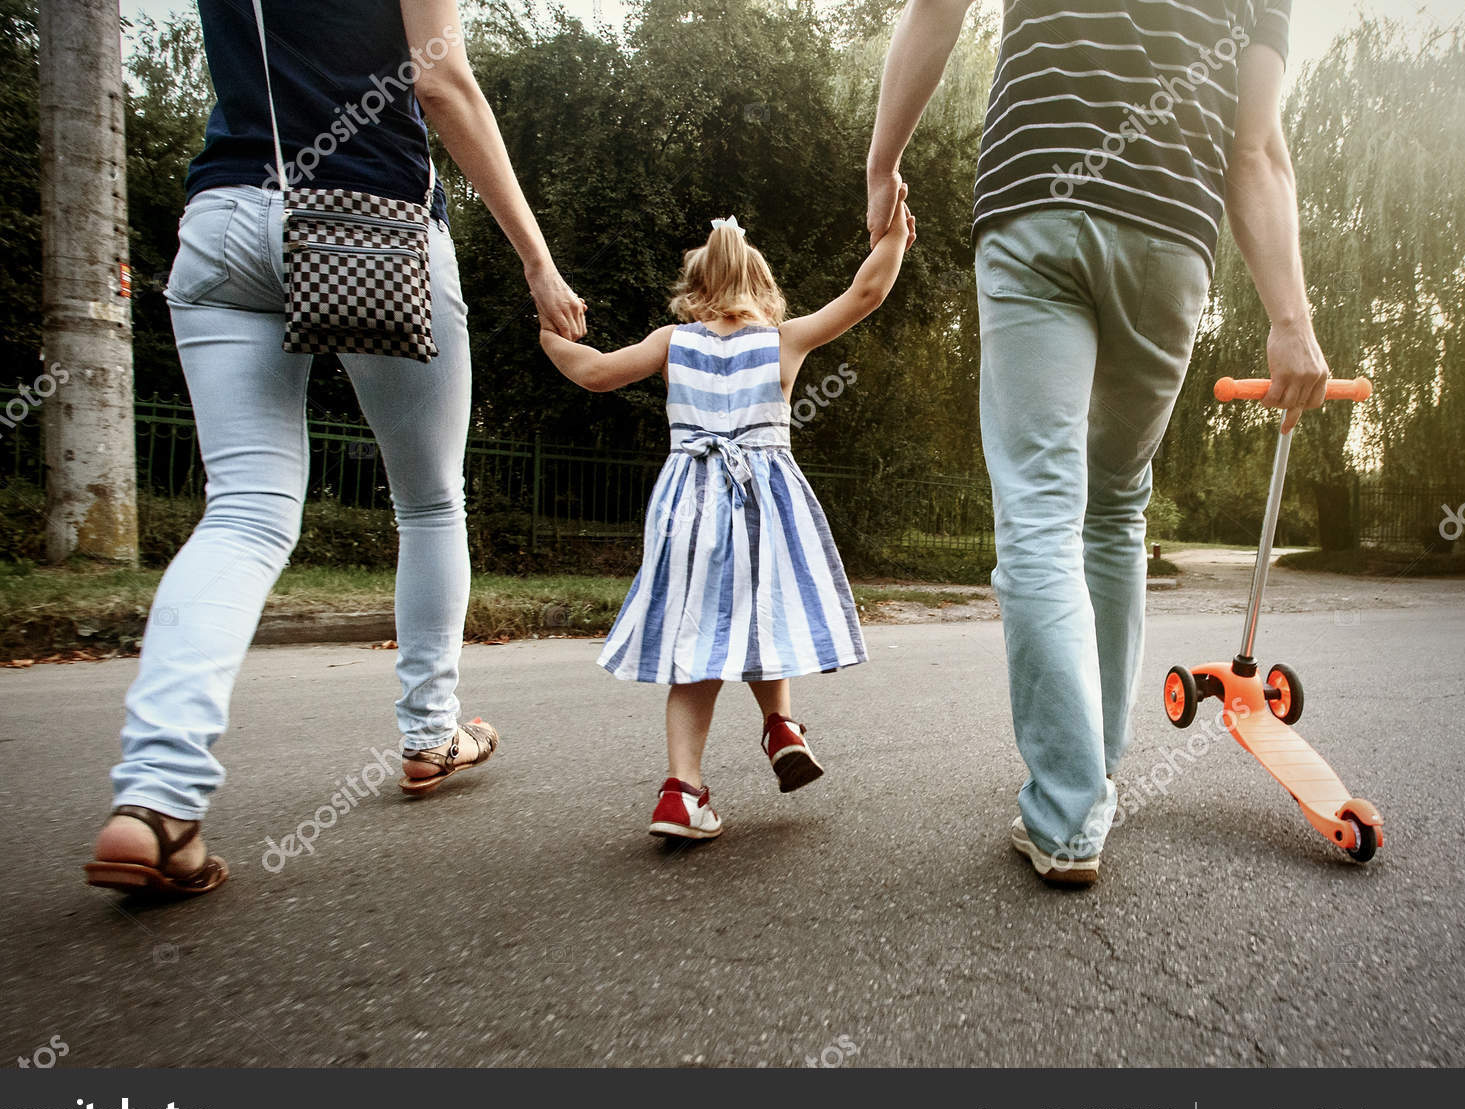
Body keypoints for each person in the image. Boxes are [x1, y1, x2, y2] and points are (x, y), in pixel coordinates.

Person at [86, 0, 587, 896]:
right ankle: (431, 733)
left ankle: (156, 799)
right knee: (430, 499)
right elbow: (440, 80)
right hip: (372, 220)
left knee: (243, 511)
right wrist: (538, 261)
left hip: (225, 219)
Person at [866, 0, 1331, 884]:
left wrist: (882, 163)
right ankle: (1098, 768)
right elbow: (1257, 148)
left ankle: (1069, 810)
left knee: (1042, 508)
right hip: (1169, 228)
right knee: (1114, 503)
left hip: (1037, 196)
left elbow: (937, 6)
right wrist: (1290, 322)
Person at [538, 206, 915, 841]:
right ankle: (782, 728)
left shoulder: (670, 342)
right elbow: (867, 291)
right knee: (763, 613)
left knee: (700, 640)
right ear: (762, 286)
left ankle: (682, 792)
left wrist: (548, 329)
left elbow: (594, 372)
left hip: (689, 502)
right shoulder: (783, 340)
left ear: (695, 290)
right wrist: (895, 235)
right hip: (765, 502)